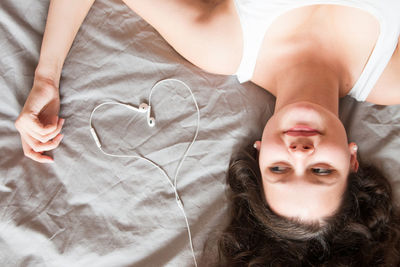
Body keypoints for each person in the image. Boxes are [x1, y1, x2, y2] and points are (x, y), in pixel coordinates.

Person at [14, 0, 400, 265]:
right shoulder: (391, 76)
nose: (299, 152)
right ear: (352, 160)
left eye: (279, 169)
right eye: (321, 171)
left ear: (260, 151)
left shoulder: (221, 46)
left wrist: (46, 77)